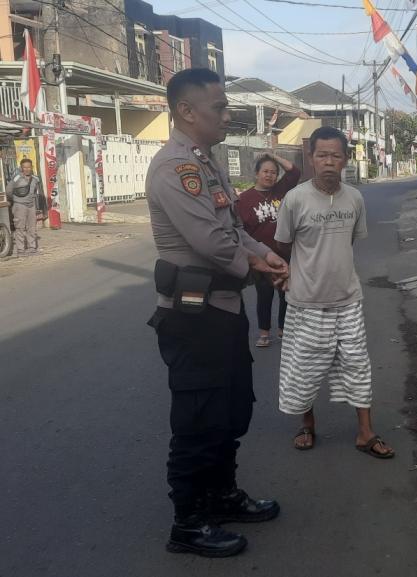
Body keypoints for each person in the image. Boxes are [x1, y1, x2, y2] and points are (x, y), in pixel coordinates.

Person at [146, 68, 288, 558]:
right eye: (220, 107)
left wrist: (266, 256)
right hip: (194, 316)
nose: (228, 115)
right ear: (187, 111)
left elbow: (233, 226)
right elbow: (210, 242)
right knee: (198, 417)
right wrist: (257, 264)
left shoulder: (208, 163)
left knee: (231, 408)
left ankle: (222, 495)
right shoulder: (174, 168)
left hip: (223, 310)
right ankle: (188, 521)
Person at [274, 126, 394, 458]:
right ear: (311, 159)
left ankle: (365, 433)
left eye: (335, 155)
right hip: (305, 301)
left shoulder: (354, 198)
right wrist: (290, 274)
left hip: (348, 300)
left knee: (357, 365)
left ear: (345, 159)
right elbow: (282, 246)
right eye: (322, 155)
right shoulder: (295, 199)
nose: (329, 161)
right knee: (305, 367)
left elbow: (350, 241)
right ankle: (307, 424)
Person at [237, 152, 301, 348]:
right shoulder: (244, 200)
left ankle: (283, 328)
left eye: (273, 172)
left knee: (286, 293)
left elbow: (295, 172)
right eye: (265, 171)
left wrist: (272, 155)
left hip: (285, 253)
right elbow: (240, 231)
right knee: (264, 295)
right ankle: (264, 332)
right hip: (261, 257)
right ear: (256, 174)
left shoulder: (280, 190)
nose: (269, 176)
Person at [8, 158, 42, 257]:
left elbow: (35, 190)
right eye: (24, 167)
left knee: (32, 227)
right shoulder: (16, 178)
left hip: (31, 205)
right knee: (20, 227)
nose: (27, 169)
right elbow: (9, 190)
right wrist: (14, 200)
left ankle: (32, 248)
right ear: (21, 168)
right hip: (19, 205)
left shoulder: (35, 179)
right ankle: (20, 250)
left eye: (29, 167)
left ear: (31, 167)